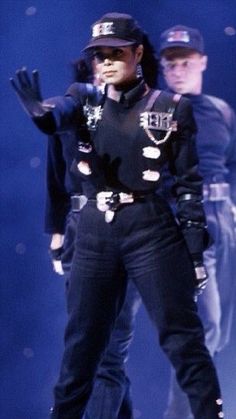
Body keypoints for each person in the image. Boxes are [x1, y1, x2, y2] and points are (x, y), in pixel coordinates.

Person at [10, 12, 224, 419]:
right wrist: (41, 114)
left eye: (116, 52)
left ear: (138, 53)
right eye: (99, 54)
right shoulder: (84, 99)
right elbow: (59, 116)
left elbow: (188, 187)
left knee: (183, 340)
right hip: (93, 230)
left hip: (149, 227)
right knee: (83, 348)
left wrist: (195, 255)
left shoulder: (169, 109)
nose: (106, 60)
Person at [46, 58, 141, 419]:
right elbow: (56, 178)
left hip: (126, 231)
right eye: (97, 63)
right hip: (78, 231)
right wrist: (55, 235)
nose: (104, 70)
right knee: (88, 349)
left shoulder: (139, 114)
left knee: (110, 351)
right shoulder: (67, 113)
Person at [158, 25, 236, 419]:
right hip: (184, 224)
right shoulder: (153, 112)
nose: (178, 70)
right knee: (201, 326)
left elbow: (232, 162)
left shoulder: (221, 111)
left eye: (185, 61)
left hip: (222, 221)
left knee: (219, 331)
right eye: (170, 63)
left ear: (202, 62)